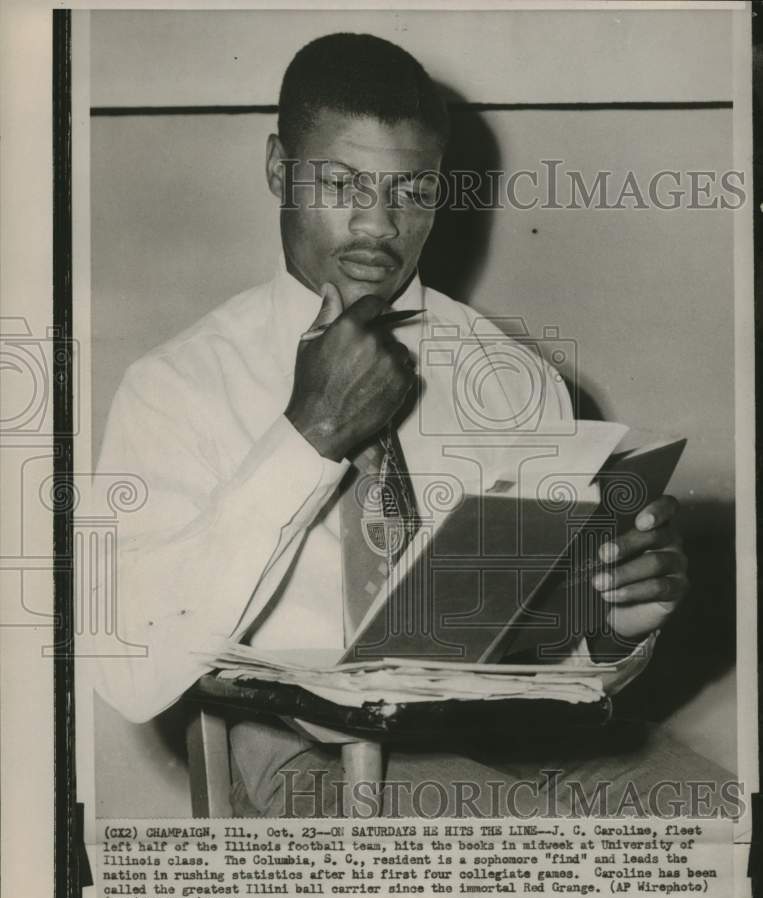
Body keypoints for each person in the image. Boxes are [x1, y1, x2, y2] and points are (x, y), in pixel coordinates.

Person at [93, 33, 729, 819]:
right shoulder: (177, 386)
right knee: (525, 858)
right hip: (308, 748)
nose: (377, 224)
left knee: (723, 824)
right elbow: (128, 675)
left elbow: (548, 653)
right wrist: (308, 435)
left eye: (412, 190)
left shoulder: (510, 375)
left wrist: (615, 625)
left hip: (517, 737)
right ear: (276, 169)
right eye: (341, 182)